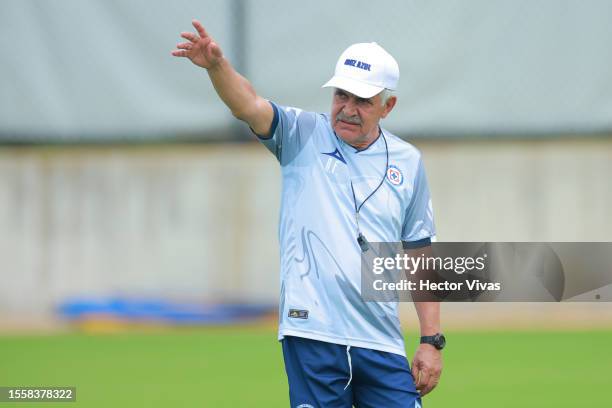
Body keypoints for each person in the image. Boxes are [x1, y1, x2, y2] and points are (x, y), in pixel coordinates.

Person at [172, 19, 444, 408]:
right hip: (313, 334)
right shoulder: (301, 133)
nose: (347, 109)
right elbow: (248, 103)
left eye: (363, 100)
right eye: (341, 96)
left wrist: (431, 340)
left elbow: (420, 256)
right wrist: (217, 67)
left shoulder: (409, 162)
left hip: (380, 341)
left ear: (388, 106)